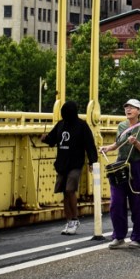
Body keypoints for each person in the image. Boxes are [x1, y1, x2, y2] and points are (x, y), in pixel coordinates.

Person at [100, 99, 140, 249]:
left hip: (139, 167)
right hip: (121, 166)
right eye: (126, 107)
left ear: (139, 111)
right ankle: (118, 236)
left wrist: (137, 143)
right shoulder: (121, 126)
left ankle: (138, 237)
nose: (128, 110)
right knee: (116, 202)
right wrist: (108, 148)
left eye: (132, 107)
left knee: (139, 203)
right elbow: (119, 144)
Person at [41, 100, 97, 236]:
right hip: (62, 164)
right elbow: (53, 140)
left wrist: (92, 162)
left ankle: (74, 219)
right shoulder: (61, 125)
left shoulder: (82, 126)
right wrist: (45, 139)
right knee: (64, 192)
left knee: (70, 190)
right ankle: (69, 221)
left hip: (75, 163)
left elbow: (90, 144)